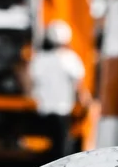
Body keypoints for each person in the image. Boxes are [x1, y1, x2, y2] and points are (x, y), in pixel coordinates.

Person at [28, 20, 90, 156]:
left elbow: (30, 83)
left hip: (42, 112)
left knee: (46, 150)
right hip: (62, 112)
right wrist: (85, 105)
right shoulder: (70, 59)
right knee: (61, 151)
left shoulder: (39, 59)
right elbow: (79, 86)